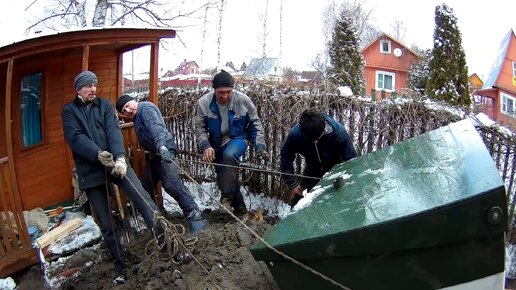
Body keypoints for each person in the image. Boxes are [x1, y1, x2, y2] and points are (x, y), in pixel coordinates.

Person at [61, 71, 164, 284]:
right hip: (90, 170)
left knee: (143, 198)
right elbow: (76, 138)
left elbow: (113, 131)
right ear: (78, 89)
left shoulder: (105, 106)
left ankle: (166, 243)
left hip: (115, 164)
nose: (92, 89)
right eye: (88, 86)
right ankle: (121, 264)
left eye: (94, 85)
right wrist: (97, 154)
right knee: (105, 222)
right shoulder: (69, 112)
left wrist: (119, 158)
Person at [115, 94, 208, 236]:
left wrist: (162, 147)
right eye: (123, 110)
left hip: (165, 149)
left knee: (171, 183)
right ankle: (156, 219)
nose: (127, 110)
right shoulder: (137, 116)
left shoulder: (145, 108)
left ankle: (196, 219)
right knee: (145, 185)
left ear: (134, 100)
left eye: (127, 105)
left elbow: (156, 128)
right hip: (156, 154)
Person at [194, 70, 269, 216]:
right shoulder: (203, 103)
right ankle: (241, 211)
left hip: (238, 137)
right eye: (221, 92)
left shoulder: (243, 100)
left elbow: (256, 124)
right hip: (216, 143)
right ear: (214, 89)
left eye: (228, 92)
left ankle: (226, 197)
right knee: (225, 174)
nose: (225, 96)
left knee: (230, 155)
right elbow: (199, 127)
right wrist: (206, 146)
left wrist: (260, 147)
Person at [280, 109, 357, 208]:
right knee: (299, 201)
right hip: (313, 168)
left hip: (336, 168)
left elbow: (351, 161)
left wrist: (349, 179)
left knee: (335, 201)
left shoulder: (338, 134)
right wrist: (292, 184)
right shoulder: (296, 135)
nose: (315, 141)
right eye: (311, 139)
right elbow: (286, 156)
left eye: (317, 138)